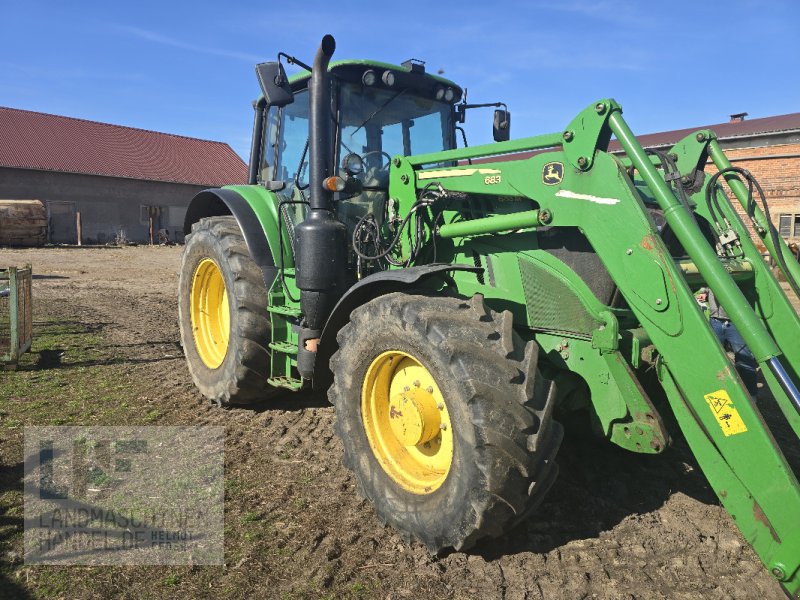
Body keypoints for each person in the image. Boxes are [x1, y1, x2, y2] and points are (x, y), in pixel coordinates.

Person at [696, 287, 759, 397]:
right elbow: (703, 290)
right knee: (713, 359)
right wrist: (704, 294)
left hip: (735, 321)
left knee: (745, 359)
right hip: (715, 321)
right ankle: (715, 392)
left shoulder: (733, 271)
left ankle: (751, 395)